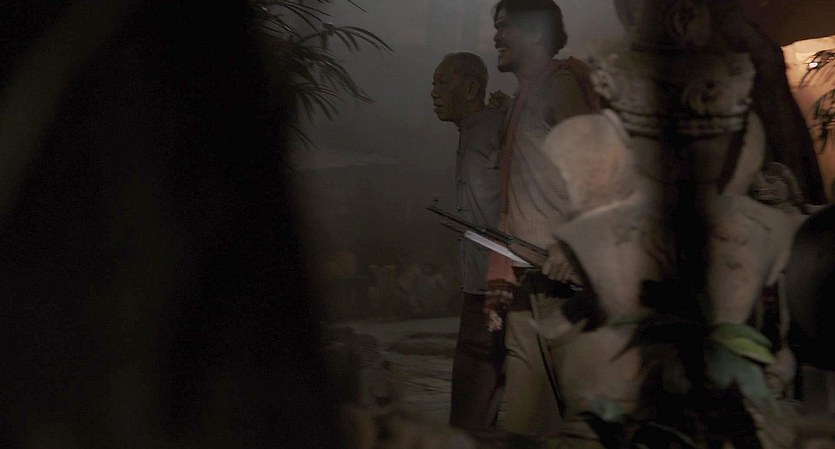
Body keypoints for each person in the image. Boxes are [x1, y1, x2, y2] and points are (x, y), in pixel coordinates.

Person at [485, 0, 599, 437]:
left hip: (568, 291)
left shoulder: (561, 85)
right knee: (523, 429)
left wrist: (574, 245)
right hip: (526, 286)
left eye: (505, 26)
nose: (496, 36)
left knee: (589, 426)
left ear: (535, 31)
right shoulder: (524, 96)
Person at [430, 52, 506, 431]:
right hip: (480, 284)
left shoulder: (497, 125)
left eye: (442, 82)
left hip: (498, 283)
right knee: (477, 399)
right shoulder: (473, 129)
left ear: (472, 87)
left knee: (475, 396)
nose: (433, 92)